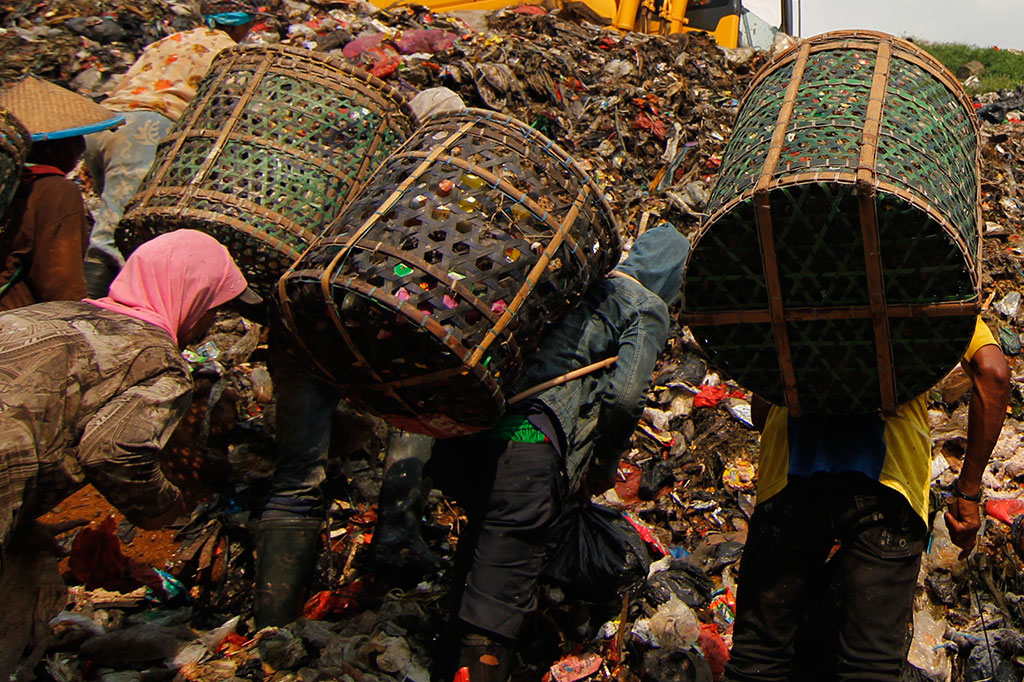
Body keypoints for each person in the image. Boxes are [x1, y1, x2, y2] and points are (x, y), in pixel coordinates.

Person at [424, 223, 690, 682]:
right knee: (498, 595)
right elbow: (626, 398)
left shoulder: (584, 283)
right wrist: (603, 466)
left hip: (472, 434)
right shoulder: (645, 305)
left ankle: (444, 660)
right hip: (528, 444)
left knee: (479, 560)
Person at [0, 228, 257, 680]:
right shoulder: (154, 358)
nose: (207, 324)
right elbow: (115, 451)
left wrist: (22, 523)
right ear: (190, 296)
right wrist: (161, 510)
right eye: (212, 308)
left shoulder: (52, 314)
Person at [723, 318, 1010, 682]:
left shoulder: (788, 276)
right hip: (888, 483)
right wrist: (967, 491)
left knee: (759, 656)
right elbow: (994, 373)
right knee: (870, 665)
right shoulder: (923, 286)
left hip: (791, 475)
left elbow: (762, 409)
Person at [84, 0, 263, 274]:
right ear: (239, 25)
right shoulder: (227, 52)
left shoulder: (169, 40)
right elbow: (232, 105)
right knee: (112, 235)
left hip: (102, 123)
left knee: (107, 212)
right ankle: (96, 307)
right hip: (145, 130)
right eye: (249, 25)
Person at [0, 76, 123, 310]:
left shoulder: (13, 183)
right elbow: (60, 283)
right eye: (75, 139)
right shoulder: (54, 190)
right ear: (53, 146)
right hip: (18, 323)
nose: (80, 149)